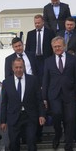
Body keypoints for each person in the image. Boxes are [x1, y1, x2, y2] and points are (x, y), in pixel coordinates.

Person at [0, 58, 46, 151]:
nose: (19, 70)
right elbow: (4, 103)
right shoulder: (7, 82)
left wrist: (42, 115)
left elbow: (39, 100)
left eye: (21, 67)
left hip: (30, 117)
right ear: (12, 68)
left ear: (24, 67)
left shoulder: (33, 80)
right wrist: (2, 121)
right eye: (17, 68)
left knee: (31, 143)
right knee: (13, 145)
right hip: (14, 118)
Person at [42, 36, 76, 151]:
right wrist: (44, 97)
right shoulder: (48, 61)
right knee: (57, 114)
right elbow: (45, 80)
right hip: (54, 95)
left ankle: (68, 146)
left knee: (70, 119)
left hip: (69, 93)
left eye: (59, 46)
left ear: (64, 46)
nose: (57, 48)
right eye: (55, 47)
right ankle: (58, 134)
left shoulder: (72, 59)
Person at [25, 14, 55, 142]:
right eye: (35, 23)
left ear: (43, 22)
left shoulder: (50, 33)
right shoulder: (30, 34)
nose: (36, 25)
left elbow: (52, 48)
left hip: (46, 60)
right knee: (36, 82)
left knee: (46, 81)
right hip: (34, 61)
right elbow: (27, 49)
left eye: (38, 22)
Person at [57, 17, 76, 142]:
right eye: (67, 24)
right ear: (65, 24)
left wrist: (75, 54)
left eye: (71, 25)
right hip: (64, 84)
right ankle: (67, 136)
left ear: (74, 25)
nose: (69, 26)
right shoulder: (59, 34)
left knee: (75, 115)